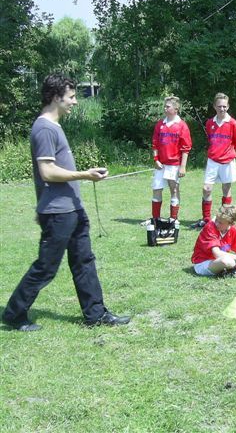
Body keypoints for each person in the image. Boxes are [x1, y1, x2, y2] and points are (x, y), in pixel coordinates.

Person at [1, 74, 130, 331]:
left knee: (84, 261)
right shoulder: (44, 128)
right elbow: (47, 172)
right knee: (46, 267)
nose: (75, 102)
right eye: (71, 97)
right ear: (56, 96)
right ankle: (14, 314)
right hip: (57, 212)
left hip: (72, 209)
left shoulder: (54, 126)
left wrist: (85, 173)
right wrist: (85, 175)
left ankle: (95, 314)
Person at [192, 93, 236, 229]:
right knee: (206, 189)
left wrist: (228, 153)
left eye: (225, 106)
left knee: (226, 190)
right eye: (219, 106)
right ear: (214, 106)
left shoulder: (234, 124)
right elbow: (211, 139)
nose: (222, 109)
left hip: (227, 161)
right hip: (213, 160)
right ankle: (207, 220)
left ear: (228, 106)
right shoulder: (210, 123)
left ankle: (224, 220)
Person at [150, 96, 192, 221]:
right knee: (156, 189)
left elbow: (186, 148)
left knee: (174, 190)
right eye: (165, 106)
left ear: (176, 109)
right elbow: (155, 143)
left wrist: (183, 167)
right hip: (160, 165)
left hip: (174, 164)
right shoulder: (160, 124)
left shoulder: (182, 126)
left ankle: (173, 218)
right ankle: (155, 219)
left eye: (168, 106)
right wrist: (156, 159)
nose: (165, 108)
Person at [191, 205, 236, 277]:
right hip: (204, 263)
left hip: (220, 259)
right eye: (216, 220)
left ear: (231, 224)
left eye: (220, 223)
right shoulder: (210, 227)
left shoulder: (232, 229)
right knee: (227, 261)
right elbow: (217, 254)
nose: (217, 223)